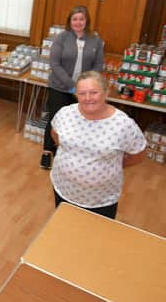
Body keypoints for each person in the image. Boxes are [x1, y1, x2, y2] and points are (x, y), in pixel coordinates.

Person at [50, 71, 146, 219]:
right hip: (63, 189)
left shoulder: (123, 124)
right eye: (82, 93)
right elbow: (55, 134)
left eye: (94, 92)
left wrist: (109, 167)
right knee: (64, 227)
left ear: (106, 92)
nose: (88, 98)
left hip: (100, 200)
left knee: (96, 238)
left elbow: (138, 154)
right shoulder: (65, 113)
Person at [40, 5, 104, 170]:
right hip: (60, 86)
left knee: (78, 122)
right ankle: (47, 151)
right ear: (70, 21)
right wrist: (71, 85)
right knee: (56, 119)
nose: (78, 22)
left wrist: (85, 86)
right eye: (74, 19)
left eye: (81, 19)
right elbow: (54, 63)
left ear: (86, 21)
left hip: (84, 91)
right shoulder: (61, 38)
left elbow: (98, 65)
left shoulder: (95, 40)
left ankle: (68, 153)